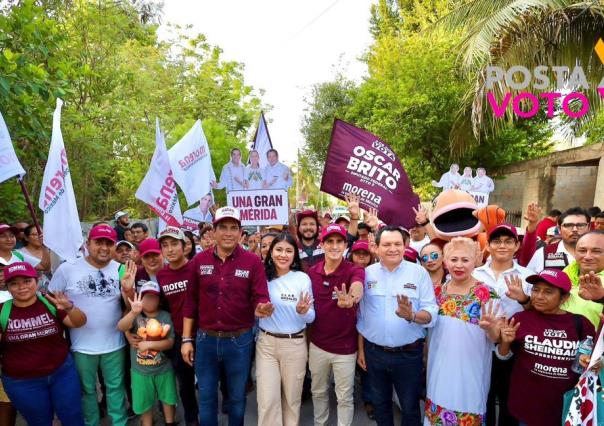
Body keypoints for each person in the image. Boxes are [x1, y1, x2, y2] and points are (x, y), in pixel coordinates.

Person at [181, 207, 273, 426]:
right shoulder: (198, 261)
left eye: (234, 228)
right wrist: (186, 339)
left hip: (240, 341)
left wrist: (262, 307)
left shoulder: (252, 262)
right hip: (206, 340)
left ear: (241, 232)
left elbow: (261, 296)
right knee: (206, 397)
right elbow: (190, 302)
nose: (229, 233)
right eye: (223, 227)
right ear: (213, 231)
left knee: (237, 398)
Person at [357, 226, 438, 425]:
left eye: (397, 244)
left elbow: (431, 313)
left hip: (409, 355)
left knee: (410, 407)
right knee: (380, 405)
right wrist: (361, 350)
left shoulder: (419, 274)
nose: (392, 249)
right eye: (386, 244)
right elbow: (361, 317)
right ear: (376, 247)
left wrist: (412, 315)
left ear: (405, 245)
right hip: (375, 353)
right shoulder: (366, 274)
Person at [49, 225, 128, 426]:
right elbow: (51, 299)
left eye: (109, 243)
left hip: (114, 343)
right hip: (81, 346)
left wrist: (129, 290)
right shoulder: (67, 269)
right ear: (87, 244)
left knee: (116, 388)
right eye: (98, 242)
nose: (103, 247)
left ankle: (120, 423)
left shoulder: (121, 269)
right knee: (87, 390)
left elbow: (130, 306)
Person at [497, 269, 595, 426]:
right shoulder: (520, 319)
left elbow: (594, 362)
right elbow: (503, 356)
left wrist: (588, 361)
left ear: (564, 298)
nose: (539, 296)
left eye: (548, 292)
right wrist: (506, 342)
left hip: (566, 409)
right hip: (527, 408)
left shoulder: (581, 324)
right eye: (535, 290)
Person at [1, 262, 87, 426]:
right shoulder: (2, 311)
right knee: (39, 422)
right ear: (7, 287)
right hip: (22, 382)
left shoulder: (51, 303)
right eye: (14, 283)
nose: (22, 287)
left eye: (27, 281)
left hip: (62, 373)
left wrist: (69, 307)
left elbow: (79, 322)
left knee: (73, 417)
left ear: (37, 281)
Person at [425, 237, 500, 425]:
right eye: (454, 259)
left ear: (476, 261)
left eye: (465, 260)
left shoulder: (487, 294)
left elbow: (497, 337)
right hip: (438, 369)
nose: (459, 265)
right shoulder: (437, 293)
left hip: (471, 371)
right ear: (445, 261)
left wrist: (491, 327)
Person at [471, 224, 533, 426]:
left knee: (510, 399)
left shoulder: (527, 276)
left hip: (514, 344)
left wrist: (523, 299)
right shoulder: (475, 274)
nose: (502, 246)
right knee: (482, 395)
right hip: (479, 342)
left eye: (508, 241)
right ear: (488, 245)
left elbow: (537, 312)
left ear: (517, 245)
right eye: (497, 241)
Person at [308, 223, 364, 426]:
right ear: (321, 244)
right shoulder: (311, 273)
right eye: (329, 241)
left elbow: (358, 285)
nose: (334, 246)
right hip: (317, 345)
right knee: (319, 392)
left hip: (345, 349)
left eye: (339, 241)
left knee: (344, 397)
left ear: (345, 245)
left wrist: (352, 299)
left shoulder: (353, 270)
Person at [256, 233, 315, 426]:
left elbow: (311, 316)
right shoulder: (261, 276)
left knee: (292, 400)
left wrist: (303, 312)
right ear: (270, 252)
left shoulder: (302, 278)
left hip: (294, 344)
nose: (283, 255)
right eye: (279, 249)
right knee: (267, 400)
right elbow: (249, 307)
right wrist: (257, 311)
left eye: (289, 251)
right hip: (266, 345)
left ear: (295, 255)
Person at [117, 281, 178, 426]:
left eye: (153, 297)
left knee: (168, 399)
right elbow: (120, 327)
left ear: (159, 299)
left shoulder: (165, 317)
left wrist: (149, 344)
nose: (150, 300)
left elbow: (170, 342)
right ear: (140, 298)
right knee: (144, 402)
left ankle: (170, 422)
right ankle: (147, 423)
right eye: (146, 297)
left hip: (163, 369)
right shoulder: (136, 316)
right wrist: (133, 312)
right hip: (140, 371)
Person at [559, 231, 604, 327]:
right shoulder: (560, 277)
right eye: (582, 250)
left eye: (596, 251)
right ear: (574, 253)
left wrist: (601, 298)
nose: (587, 256)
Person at [526, 207, 590, 273]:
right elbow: (527, 281)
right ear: (559, 229)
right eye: (568, 225)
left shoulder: (599, 253)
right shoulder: (543, 253)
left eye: (580, 225)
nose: (575, 229)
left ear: (588, 227)